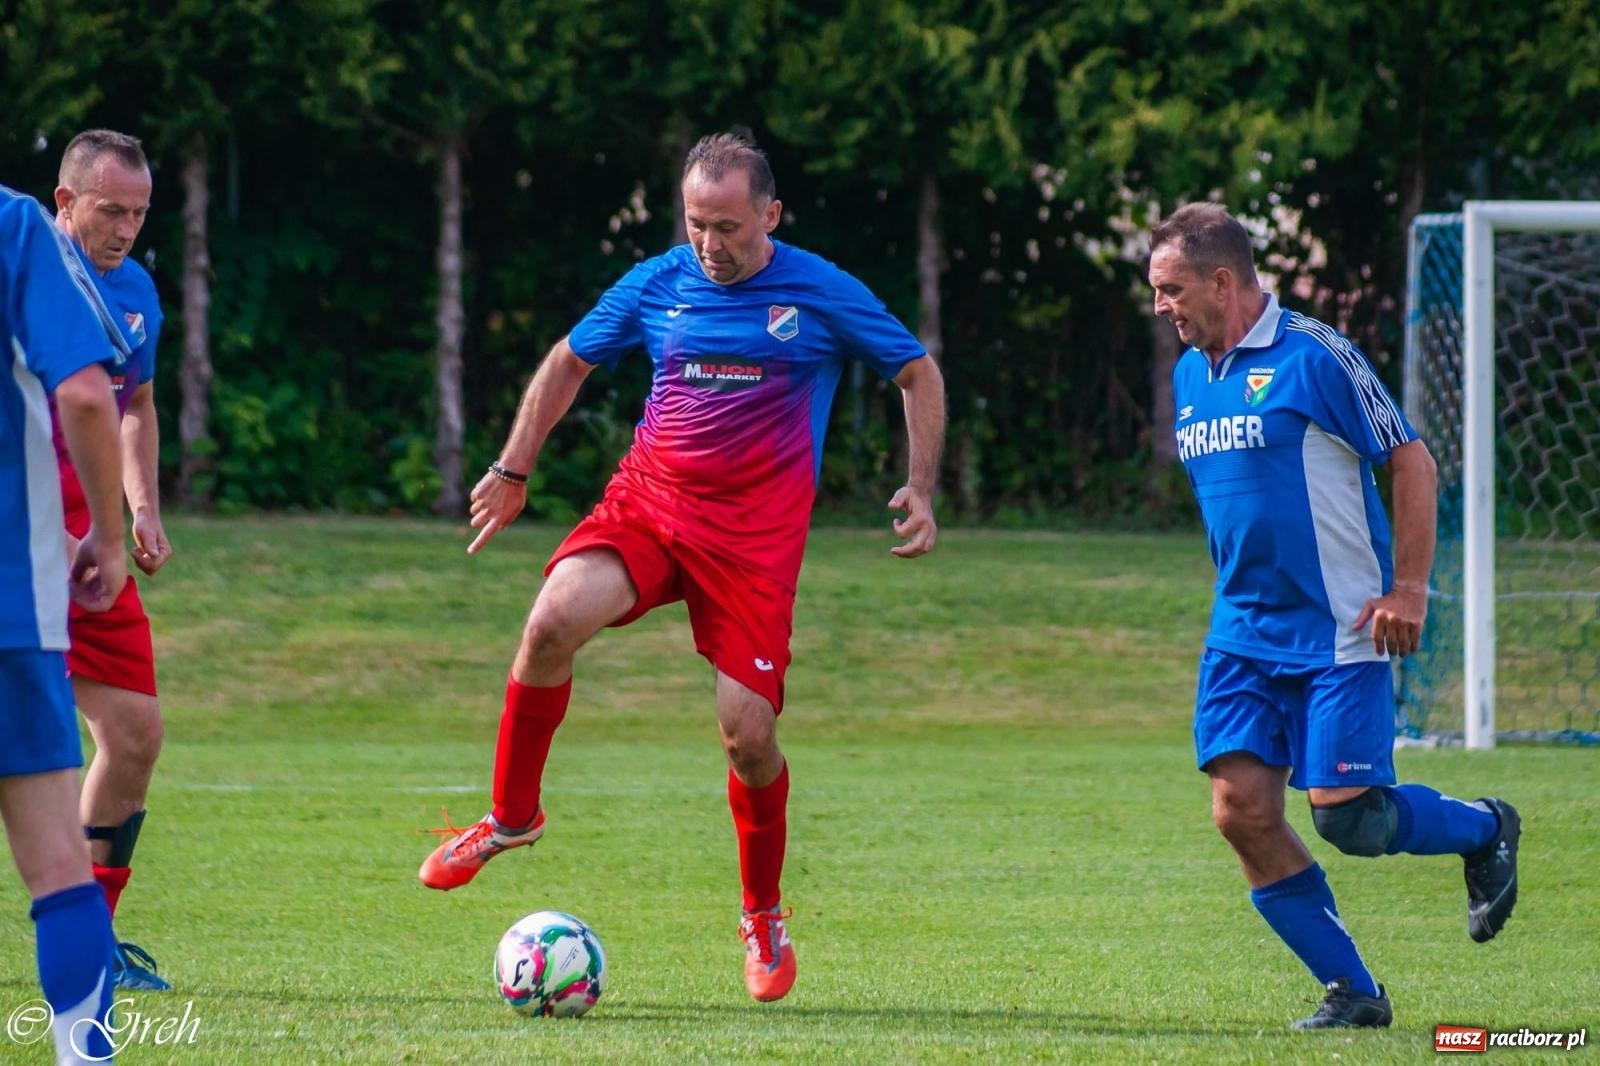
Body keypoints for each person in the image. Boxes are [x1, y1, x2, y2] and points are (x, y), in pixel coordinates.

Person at [418, 131, 945, 1003]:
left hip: (753, 548)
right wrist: (514, 470)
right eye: (697, 223)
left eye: (730, 226)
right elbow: (567, 361)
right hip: (651, 510)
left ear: (770, 215)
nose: (710, 243)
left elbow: (916, 373)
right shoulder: (659, 282)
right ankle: (511, 819)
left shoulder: (818, 291)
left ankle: (763, 913)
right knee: (550, 620)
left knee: (748, 736)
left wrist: (920, 486)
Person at [1147, 202, 1520, 1029]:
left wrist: (1411, 589)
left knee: (1351, 818)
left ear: (1222, 279)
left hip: (1342, 631)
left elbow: (1411, 459)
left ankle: (1484, 828)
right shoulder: (1189, 375)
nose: (1163, 307)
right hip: (1241, 636)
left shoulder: (1315, 355)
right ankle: (1354, 992)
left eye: (1172, 290)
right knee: (1240, 811)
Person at [2, 182, 133, 1064]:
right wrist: (110, 537)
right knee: (57, 867)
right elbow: (88, 393)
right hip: (10, 600)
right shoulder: (14, 225)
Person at [52, 129, 173, 992]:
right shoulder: (21, 283)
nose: (125, 228)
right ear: (64, 203)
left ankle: (92, 945)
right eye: (108, 210)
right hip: (24, 524)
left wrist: (140, 510)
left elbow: (134, 407)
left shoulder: (134, 292)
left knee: (133, 734)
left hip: (89, 537)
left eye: (138, 212)